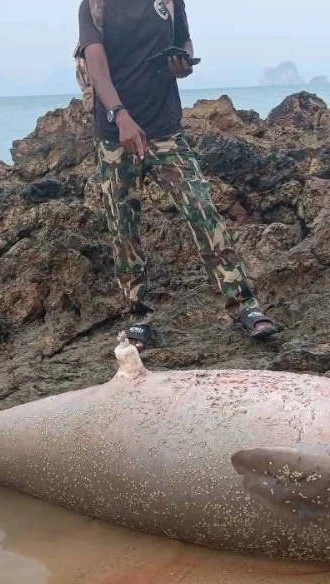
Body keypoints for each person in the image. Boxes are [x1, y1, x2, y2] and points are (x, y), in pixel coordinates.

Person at [76, 0, 281, 352]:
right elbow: (96, 64)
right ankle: (138, 318)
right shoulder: (95, 5)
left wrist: (181, 64)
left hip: (165, 129)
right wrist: (121, 116)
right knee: (123, 228)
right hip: (115, 134)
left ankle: (245, 306)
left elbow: (184, 44)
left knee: (202, 210)